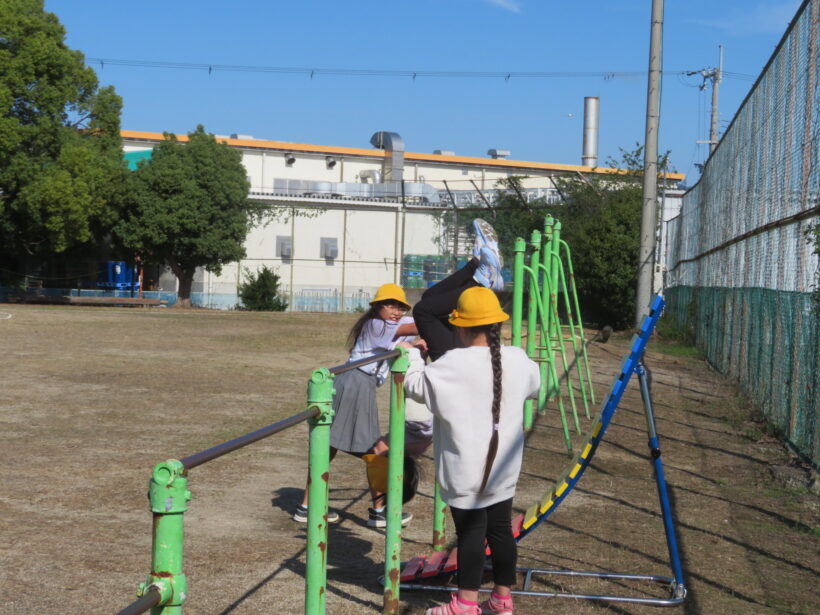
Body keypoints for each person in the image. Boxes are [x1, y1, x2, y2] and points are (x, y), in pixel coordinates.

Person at [402, 287, 540, 615]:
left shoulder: (451, 364)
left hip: (466, 470)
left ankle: (464, 604)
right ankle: (502, 599)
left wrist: (409, 354)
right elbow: (534, 386)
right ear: (497, 326)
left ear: (460, 327)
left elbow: (415, 386)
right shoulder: (517, 358)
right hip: (504, 465)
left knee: (471, 534)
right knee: (500, 530)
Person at [293, 283, 419, 527]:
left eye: (400, 306)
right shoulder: (376, 325)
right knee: (372, 448)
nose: (395, 311)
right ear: (377, 307)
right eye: (390, 305)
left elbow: (414, 326)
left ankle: (308, 506)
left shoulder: (391, 324)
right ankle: (378, 511)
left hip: (359, 384)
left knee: (330, 446)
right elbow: (414, 326)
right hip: (355, 382)